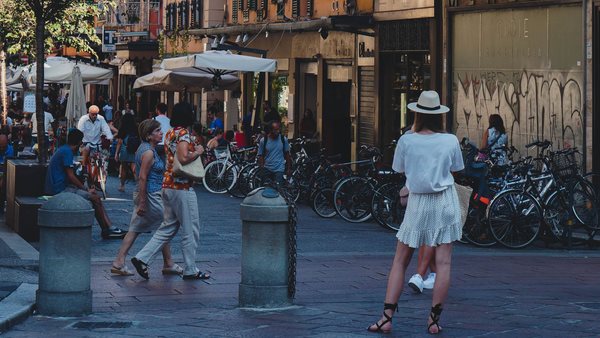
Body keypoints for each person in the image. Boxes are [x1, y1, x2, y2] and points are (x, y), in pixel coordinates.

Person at [367, 91, 464, 334]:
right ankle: (433, 320)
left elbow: (400, 169)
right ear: (439, 115)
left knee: (400, 260)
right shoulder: (450, 140)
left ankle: (387, 317)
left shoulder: (407, 140)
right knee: (443, 263)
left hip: (418, 202)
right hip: (444, 201)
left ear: (417, 114)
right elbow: (456, 169)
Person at [131, 102, 210, 281]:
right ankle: (190, 269)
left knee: (168, 227)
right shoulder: (183, 134)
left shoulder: (170, 133)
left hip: (168, 185)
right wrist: (197, 151)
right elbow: (183, 157)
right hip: (182, 187)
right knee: (191, 229)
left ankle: (142, 258)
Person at [111, 119, 182, 276]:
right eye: (157, 131)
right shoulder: (148, 152)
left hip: (145, 193)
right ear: (149, 135)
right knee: (166, 225)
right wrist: (143, 201)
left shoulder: (145, 149)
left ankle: (119, 261)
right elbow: (142, 176)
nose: (161, 133)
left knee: (136, 229)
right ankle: (161, 262)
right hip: (150, 195)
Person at [44, 128, 124, 239]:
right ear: (79, 141)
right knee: (95, 198)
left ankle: (107, 228)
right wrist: (85, 189)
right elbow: (71, 176)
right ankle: (109, 228)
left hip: (60, 186)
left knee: (94, 197)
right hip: (60, 189)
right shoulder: (67, 152)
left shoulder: (64, 149)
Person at [77, 105, 114, 171]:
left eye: (96, 114)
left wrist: (110, 137)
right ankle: (82, 168)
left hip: (97, 144)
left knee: (105, 154)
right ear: (89, 113)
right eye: (93, 114)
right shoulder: (83, 119)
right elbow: (79, 131)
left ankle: (103, 170)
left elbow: (106, 129)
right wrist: (80, 141)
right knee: (82, 154)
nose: (94, 116)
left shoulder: (101, 118)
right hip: (85, 143)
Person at [257, 120, 292, 185]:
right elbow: (260, 155)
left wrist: (288, 168)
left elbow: (287, 154)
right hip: (267, 168)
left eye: (278, 129)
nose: (278, 131)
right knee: (266, 190)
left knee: (278, 189)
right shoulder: (263, 141)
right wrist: (262, 167)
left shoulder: (283, 139)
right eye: (275, 130)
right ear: (270, 130)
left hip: (279, 169)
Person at [114, 114, 139, 192]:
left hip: (124, 149)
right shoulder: (136, 128)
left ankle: (122, 186)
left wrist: (116, 153)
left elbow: (119, 142)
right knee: (134, 169)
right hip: (134, 150)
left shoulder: (122, 129)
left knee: (124, 168)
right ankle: (139, 185)